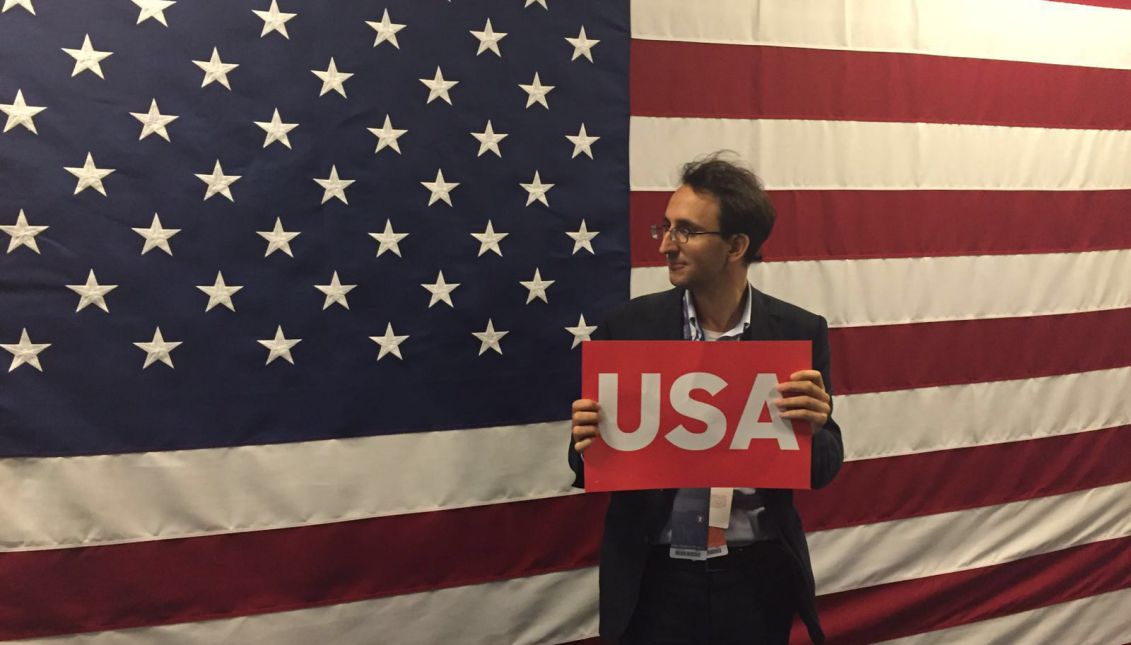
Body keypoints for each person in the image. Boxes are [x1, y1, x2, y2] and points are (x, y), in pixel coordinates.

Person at [569, 152, 844, 645]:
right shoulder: (627, 329)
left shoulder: (797, 332)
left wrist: (818, 425)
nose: (667, 246)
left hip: (755, 578)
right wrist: (585, 437)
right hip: (655, 581)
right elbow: (587, 464)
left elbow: (822, 470)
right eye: (666, 228)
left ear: (736, 245)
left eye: (687, 231)